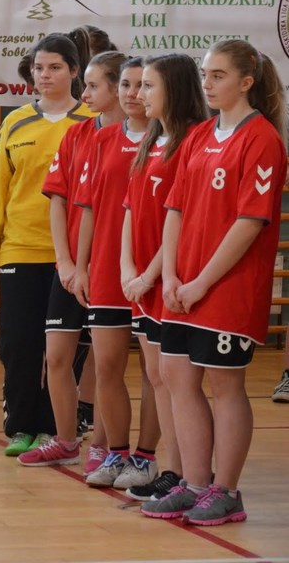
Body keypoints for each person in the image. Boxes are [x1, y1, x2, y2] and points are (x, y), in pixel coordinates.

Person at [143, 40, 287, 525]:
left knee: (225, 386)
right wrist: (170, 276)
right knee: (177, 378)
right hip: (183, 286)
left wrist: (202, 282)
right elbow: (175, 209)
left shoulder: (262, 138)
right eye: (205, 74)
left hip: (227, 287)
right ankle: (194, 483)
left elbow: (250, 221)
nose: (207, 83)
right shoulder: (201, 135)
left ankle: (226, 491)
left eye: (218, 75)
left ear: (246, 82)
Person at [0, 33, 90, 452]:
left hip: (72, 257)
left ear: (74, 71)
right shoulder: (15, 122)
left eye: (55, 67)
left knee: (63, 350)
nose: (45, 75)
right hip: (20, 249)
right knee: (18, 343)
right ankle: (21, 426)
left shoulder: (92, 122)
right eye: (39, 68)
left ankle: (54, 427)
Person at [17, 50, 126, 468]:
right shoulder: (77, 135)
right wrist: (65, 263)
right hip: (72, 268)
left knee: (105, 363)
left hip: (111, 268)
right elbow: (58, 200)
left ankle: (102, 442)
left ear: (118, 89)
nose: (85, 94)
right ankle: (65, 440)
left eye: (94, 86)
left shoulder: (139, 139)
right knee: (57, 356)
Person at [119, 53, 207, 503]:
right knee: (157, 376)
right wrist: (127, 269)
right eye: (137, 85)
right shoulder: (152, 139)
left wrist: (151, 274)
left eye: (149, 85)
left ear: (174, 88)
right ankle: (172, 470)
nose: (139, 94)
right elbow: (131, 209)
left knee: (175, 381)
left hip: (167, 278)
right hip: (142, 281)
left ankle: (187, 472)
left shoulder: (192, 140)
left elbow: (182, 217)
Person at [73, 56, 163, 491]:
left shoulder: (172, 140)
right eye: (126, 84)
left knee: (154, 372)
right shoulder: (102, 139)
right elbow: (87, 208)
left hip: (153, 272)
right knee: (107, 365)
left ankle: (146, 458)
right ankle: (117, 452)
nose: (132, 93)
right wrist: (81, 265)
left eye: (141, 85)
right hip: (108, 269)